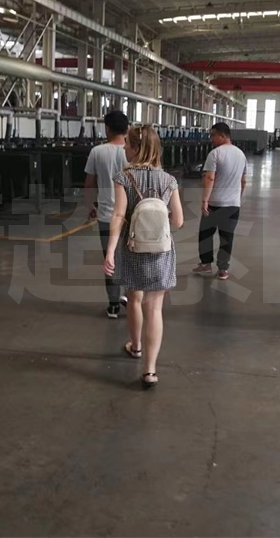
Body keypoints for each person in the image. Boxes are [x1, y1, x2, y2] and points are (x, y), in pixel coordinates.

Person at [103, 126, 183, 389]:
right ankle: (150, 371)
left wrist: (110, 250)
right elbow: (179, 221)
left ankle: (135, 346)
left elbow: (118, 215)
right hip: (161, 252)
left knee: (134, 298)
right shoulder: (169, 180)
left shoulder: (124, 177)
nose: (124, 147)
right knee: (155, 309)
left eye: (127, 144)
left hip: (132, 248)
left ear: (137, 148)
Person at [85, 110, 129, 318]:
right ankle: (131, 297)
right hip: (131, 215)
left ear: (107, 129)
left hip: (106, 215)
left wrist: (90, 205)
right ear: (127, 129)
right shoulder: (134, 151)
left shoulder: (97, 152)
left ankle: (113, 304)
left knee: (110, 259)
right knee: (131, 257)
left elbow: (89, 183)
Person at [192, 122, 248, 280]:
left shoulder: (215, 154)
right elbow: (243, 180)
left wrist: (205, 200)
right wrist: (238, 197)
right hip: (233, 205)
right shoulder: (241, 154)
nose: (211, 139)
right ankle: (223, 269)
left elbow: (210, 178)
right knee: (227, 237)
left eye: (213, 135)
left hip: (215, 203)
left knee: (205, 234)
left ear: (223, 136)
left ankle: (206, 264)